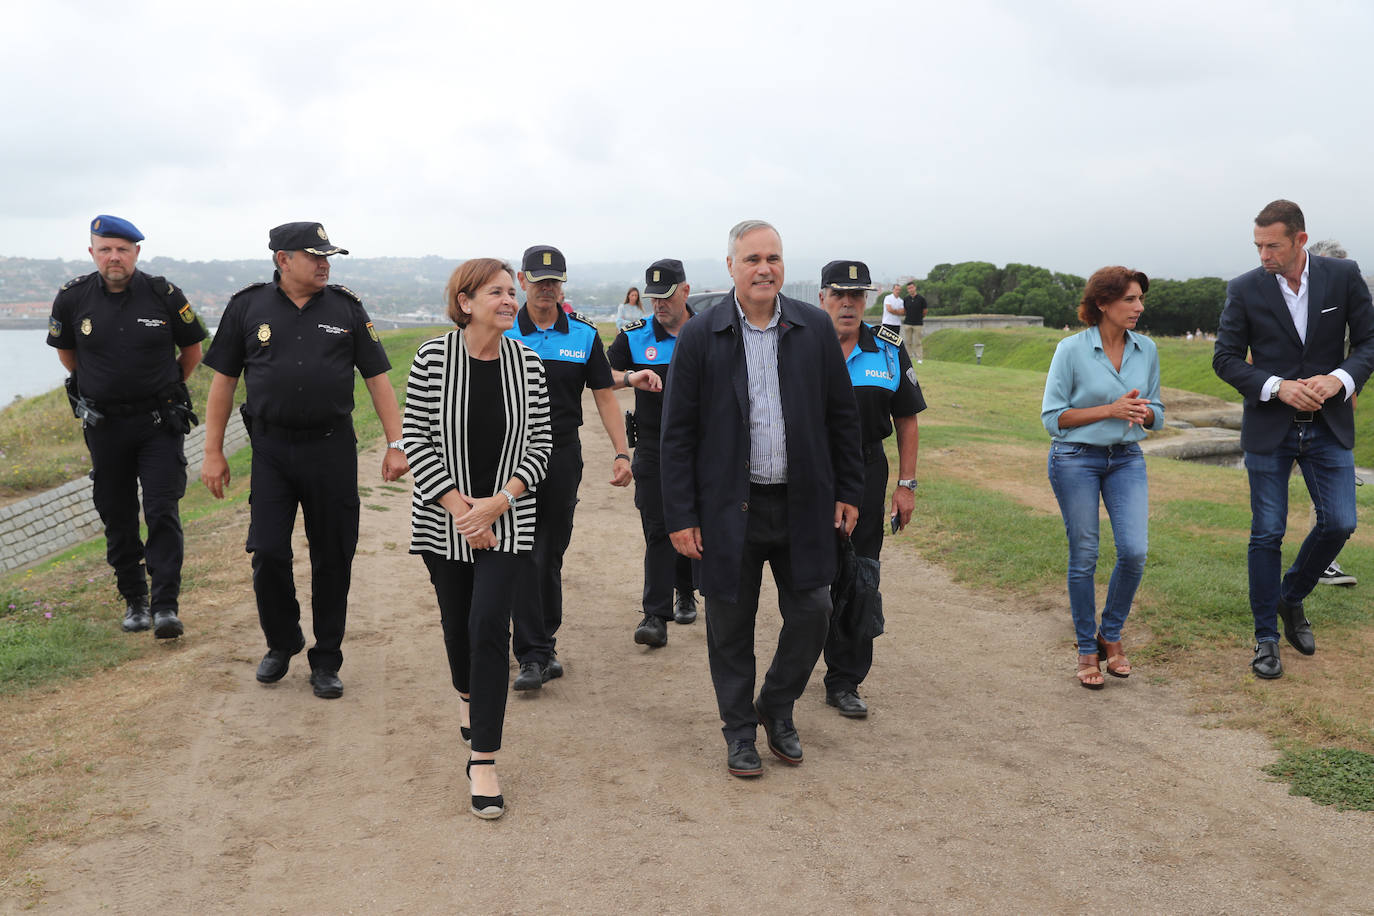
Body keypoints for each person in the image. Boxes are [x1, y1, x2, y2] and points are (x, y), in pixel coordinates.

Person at [661, 220, 863, 777]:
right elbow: (676, 433)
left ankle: (776, 704)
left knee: (814, 612)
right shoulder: (702, 335)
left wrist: (849, 489)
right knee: (730, 624)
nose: (764, 268)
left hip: (803, 505)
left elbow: (842, 417)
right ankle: (738, 732)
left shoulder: (814, 327)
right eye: (752, 258)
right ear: (731, 266)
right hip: (728, 508)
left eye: (773, 257)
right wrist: (681, 514)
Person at [200, 221, 408, 699]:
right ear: (282, 260)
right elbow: (223, 383)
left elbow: (377, 379)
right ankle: (282, 640)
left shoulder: (347, 308)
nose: (324, 264)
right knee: (268, 550)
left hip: (331, 448)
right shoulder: (246, 307)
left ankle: (326, 659)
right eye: (314, 256)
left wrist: (396, 446)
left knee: (333, 555)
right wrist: (212, 452)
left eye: (327, 256)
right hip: (271, 449)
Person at [403, 258, 551, 820]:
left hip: (508, 519)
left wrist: (498, 503)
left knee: (490, 625)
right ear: (465, 301)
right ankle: (468, 696)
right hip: (444, 519)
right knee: (457, 624)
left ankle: (483, 757)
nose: (511, 301)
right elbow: (415, 437)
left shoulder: (529, 364)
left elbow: (542, 447)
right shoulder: (432, 358)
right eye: (499, 292)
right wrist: (462, 510)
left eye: (512, 293)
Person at [1213, 200, 1374, 679]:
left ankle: (1290, 598)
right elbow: (1225, 358)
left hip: (1328, 426)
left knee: (1341, 522)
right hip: (1269, 426)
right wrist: (1276, 387)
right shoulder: (1243, 289)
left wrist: (1341, 379)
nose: (1264, 254)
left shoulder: (1344, 276)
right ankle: (1265, 639)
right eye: (1258, 245)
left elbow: (1368, 343)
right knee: (1267, 532)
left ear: (1300, 239)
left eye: (1273, 245)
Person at [46, 215, 206, 638]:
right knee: (117, 514)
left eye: (123, 249)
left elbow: (192, 348)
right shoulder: (72, 298)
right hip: (105, 427)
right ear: (92, 252)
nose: (114, 256)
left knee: (161, 510)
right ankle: (135, 600)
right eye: (105, 249)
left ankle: (165, 605)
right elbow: (68, 355)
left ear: (136, 252)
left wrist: (168, 386)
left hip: (157, 422)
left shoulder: (164, 295)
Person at [504, 245, 633, 691]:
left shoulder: (583, 336)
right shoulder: (501, 332)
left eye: (554, 281)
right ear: (522, 281)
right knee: (525, 551)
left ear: (563, 285)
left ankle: (544, 643)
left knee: (550, 552)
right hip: (509, 456)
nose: (546, 289)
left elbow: (603, 394)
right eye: (539, 281)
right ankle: (533, 654)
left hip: (561, 455)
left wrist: (622, 452)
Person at [1042, 266, 1162, 689]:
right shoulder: (1070, 350)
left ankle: (1110, 633)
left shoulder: (1146, 349)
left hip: (1127, 459)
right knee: (1085, 554)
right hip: (1075, 458)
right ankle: (1086, 649)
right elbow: (1053, 418)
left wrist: (1143, 412)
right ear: (1103, 303)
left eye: (1140, 299)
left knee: (1134, 551)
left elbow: (1157, 412)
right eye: (1130, 299)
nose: (1139, 307)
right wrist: (1109, 409)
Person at [815, 260, 924, 716]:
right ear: (822, 297)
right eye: (839, 294)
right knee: (807, 575)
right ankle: (799, 661)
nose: (848, 303)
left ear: (869, 301)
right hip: (810, 471)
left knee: (860, 575)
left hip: (866, 467)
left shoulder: (888, 349)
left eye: (857, 296)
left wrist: (905, 485)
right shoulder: (798, 344)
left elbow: (907, 420)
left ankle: (845, 679)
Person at [607, 259, 698, 649]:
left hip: (701, 447)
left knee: (698, 522)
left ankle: (687, 589)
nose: (658, 304)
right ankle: (654, 615)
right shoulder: (634, 335)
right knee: (658, 527)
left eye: (666, 296)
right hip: (653, 446)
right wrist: (630, 378)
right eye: (652, 298)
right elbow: (601, 375)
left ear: (685, 291)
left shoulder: (708, 332)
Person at [1308, 239, 1360, 589]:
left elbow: (1357, 356)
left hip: (1330, 413)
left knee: (1330, 501)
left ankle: (1323, 561)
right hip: (1282, 413)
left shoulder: (1346, 307)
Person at [901, 280, 928, 363]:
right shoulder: (906, 299)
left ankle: (919, 358)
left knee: (917, 342)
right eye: (909, 288)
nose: (910, 289)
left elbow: (925, 311)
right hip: (908, 323)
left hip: (918, 323)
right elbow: (904, 310)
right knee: (908, 342)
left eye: (912, 287)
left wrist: (919, 317)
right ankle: (909, 357)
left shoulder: (921, 299)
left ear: (915, 288)